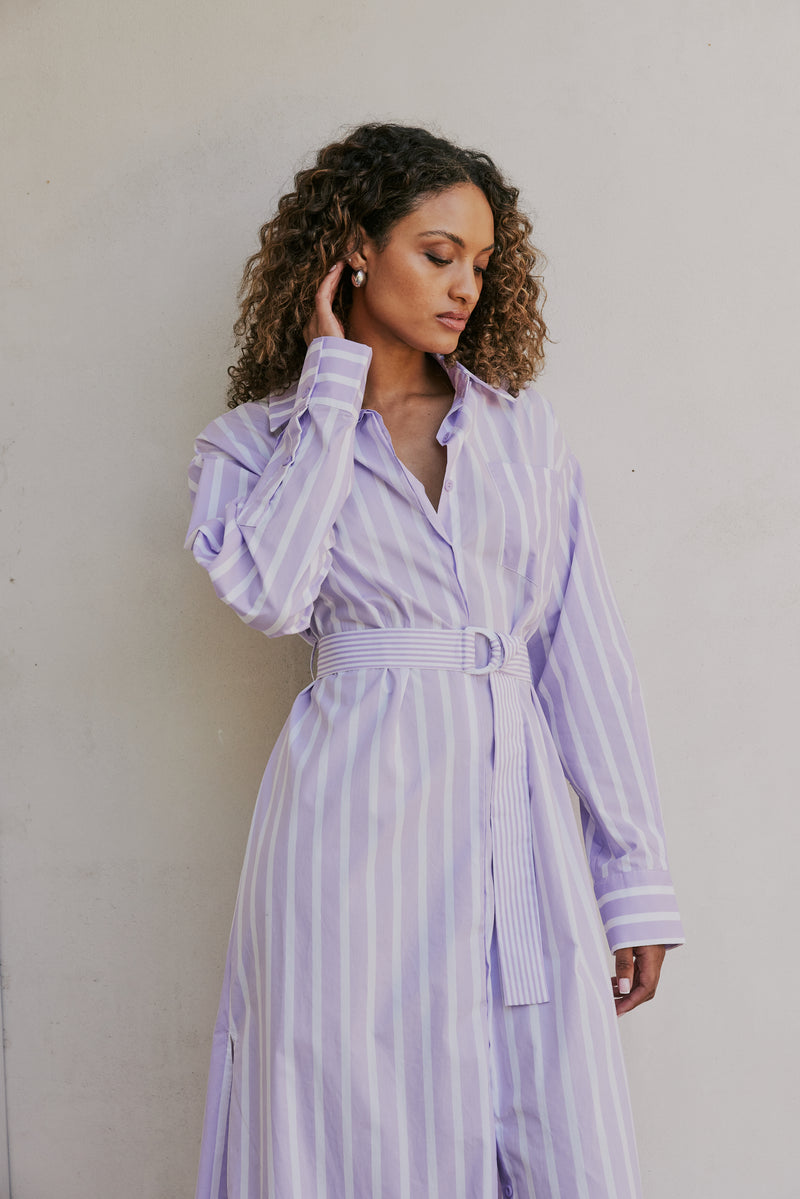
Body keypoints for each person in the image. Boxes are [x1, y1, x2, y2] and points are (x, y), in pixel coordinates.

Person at [185, 121, 685, 1199]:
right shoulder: (252, 445)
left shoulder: (521, 436)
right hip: (346, 830)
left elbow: (579, 656)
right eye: (436, 251)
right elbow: (271, 597)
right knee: (345, 1108)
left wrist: (631, 880)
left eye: (479, 261)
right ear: (355, 247)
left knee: (550, 1116)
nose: (463, 284)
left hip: (518, 837)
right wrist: (329, 393)